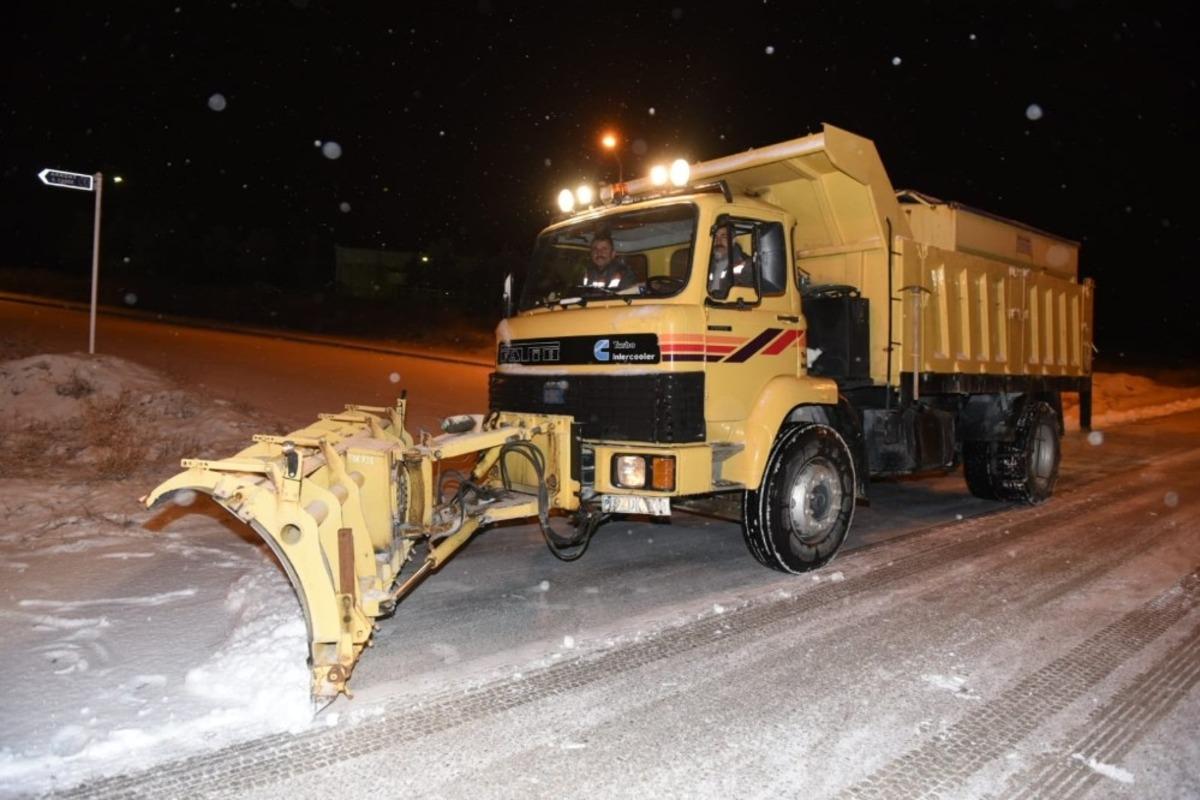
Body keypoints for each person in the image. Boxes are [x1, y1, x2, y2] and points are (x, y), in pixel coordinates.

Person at [708, 224, 755, 295]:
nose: (718, 241)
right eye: (715, 237)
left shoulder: (748, 265)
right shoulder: (706, 263)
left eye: (724, 237)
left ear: (733, 240)